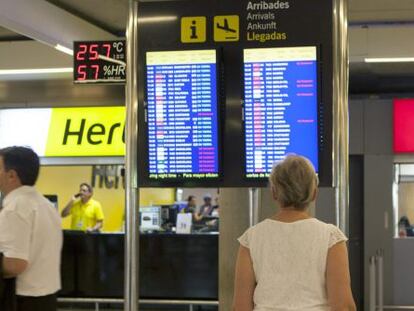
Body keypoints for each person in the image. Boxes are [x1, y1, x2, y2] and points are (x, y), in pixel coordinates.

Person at [232, 155, 356, 310]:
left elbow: (240, 307)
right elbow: (343, 306)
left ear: (274, 193)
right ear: (314, 194)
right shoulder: (331, 238)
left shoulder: (251, 239)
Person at [0, 146, 62, 311]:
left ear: (11, 175)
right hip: (46, 297)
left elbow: (15, 264)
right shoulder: (46, 205)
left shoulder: (15, 208)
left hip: (21, 300)